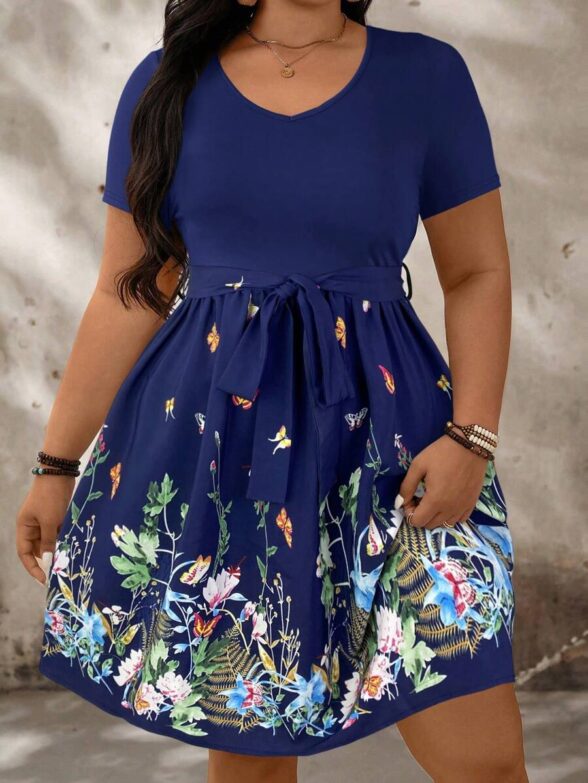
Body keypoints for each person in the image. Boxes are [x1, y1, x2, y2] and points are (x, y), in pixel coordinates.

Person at [16, 1, 529, 781]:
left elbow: (477, 271)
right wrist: (56, 464)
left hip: (399, 446)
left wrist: (472, 436)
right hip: (223, 452)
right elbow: (130, 293)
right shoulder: (167, 83)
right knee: (252, 759)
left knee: (482, 759)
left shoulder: (426, 77)